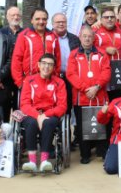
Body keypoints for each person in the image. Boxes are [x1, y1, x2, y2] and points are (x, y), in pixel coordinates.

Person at [67, 25, 111, 164]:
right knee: (82, 127)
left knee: (102, 123)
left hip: (99, 96)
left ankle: (102, 152)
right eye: (84, 36)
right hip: (82, 97)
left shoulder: (102, 53)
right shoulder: (73, 54)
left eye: (90, 36)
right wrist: (87, 89)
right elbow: (71, 74)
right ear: (80, 37)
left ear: (94, 38)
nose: (87, 38)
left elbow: (107, 72)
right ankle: (85, 154)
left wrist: (96, 87)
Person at [20, 54, 67, 171]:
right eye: (44, 63)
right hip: (32, 113)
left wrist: (45, 115)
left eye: (50, 64)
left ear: (54, 67)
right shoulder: (29, 80)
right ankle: (32, 162)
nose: (47, 67)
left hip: (50, 114)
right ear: (39, 65)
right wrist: (38, 116)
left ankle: (44, 160)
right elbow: (24, 104)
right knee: (30, 123)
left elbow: (62, 106)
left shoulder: (59, 83)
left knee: (48, 123)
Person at [11, 8, 61, 91]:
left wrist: (56, 77)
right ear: (32, 20)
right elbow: (16, 60)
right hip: (29, 82)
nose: (41, 22)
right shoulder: (23, 35)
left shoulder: (53, 36)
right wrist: (20, 83)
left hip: (49, 82)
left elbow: (58, 59)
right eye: (37, 19)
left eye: (44, 19)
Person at [52, 12, 81, 148]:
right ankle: (57, 139)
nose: (61, 24)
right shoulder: (48, 38)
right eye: (58, 22)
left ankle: (71, 139)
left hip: (72, 78)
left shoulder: (75, 39)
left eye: (63, 21)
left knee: (71, 108)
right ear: (52, 24)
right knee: (58, 109)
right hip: (54, 79)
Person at [94, 7, 121, 101]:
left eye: (112, 17)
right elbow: (89, 50)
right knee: (105, 104)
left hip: (118, 72)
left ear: (115, 18)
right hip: (101, 73)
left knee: (117, 101)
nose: (109, 19)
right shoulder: (95, 32)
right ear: (101, 20)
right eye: (106, 17)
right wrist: (105, 50)